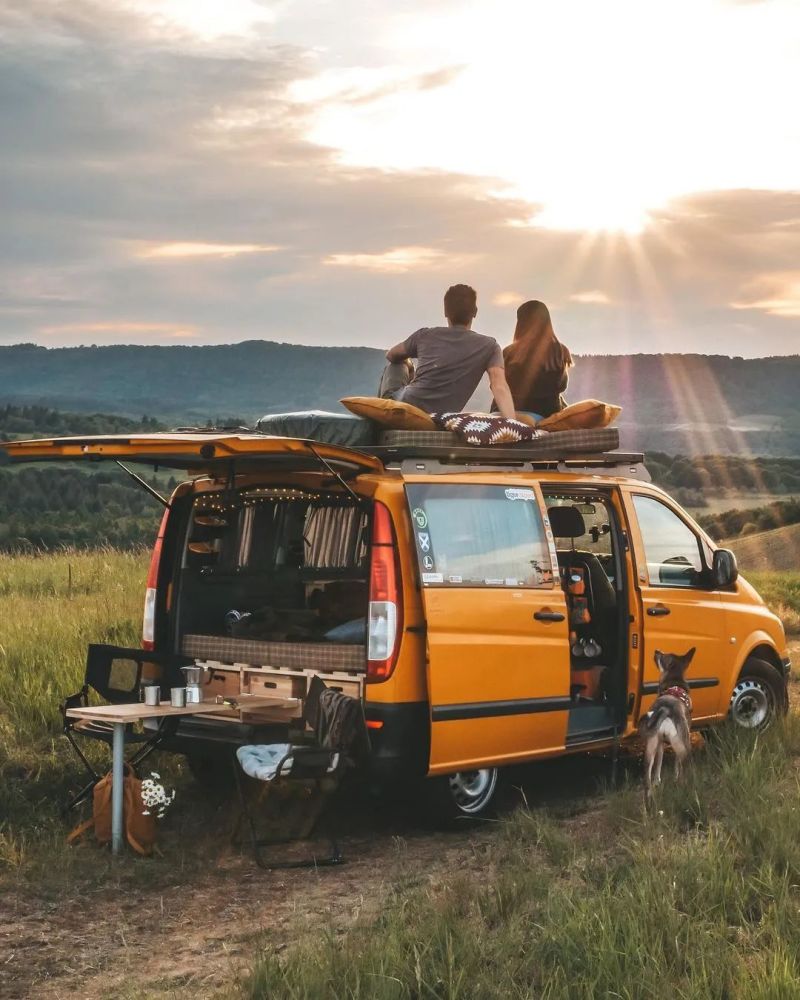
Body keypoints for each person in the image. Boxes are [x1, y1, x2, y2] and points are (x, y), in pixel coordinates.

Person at [378, 284, 516, 418]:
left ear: (445, 311)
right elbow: (499, 386)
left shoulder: (425, 335)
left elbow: (391, 355)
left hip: (401, 405)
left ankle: (381, 413)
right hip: (439, 415)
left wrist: (408, 365)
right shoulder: (489, 346)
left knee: (397, 364)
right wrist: (514, 425)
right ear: (475, 311)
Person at [496, 300, 573, 420]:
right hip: (545, 415)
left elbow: (499, 386)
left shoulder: (508, 353)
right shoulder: (559, 351)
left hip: (507, 413)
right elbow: (561, 386)